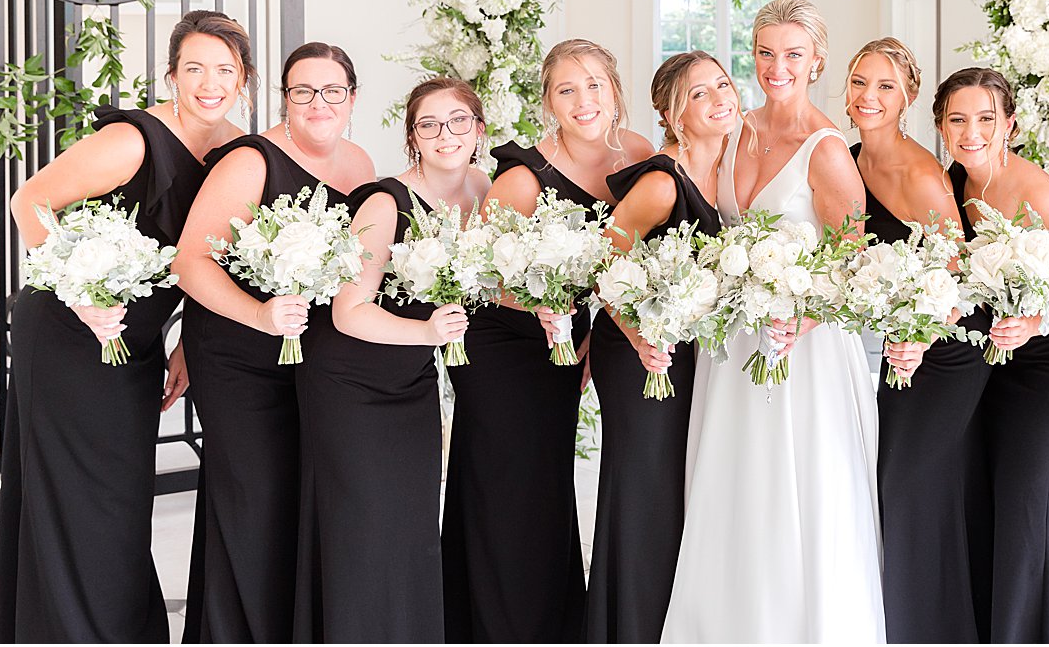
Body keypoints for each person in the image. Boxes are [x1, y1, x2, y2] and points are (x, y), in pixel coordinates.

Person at [0, 11, 252, 644]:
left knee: (121, 490)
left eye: (225, 70)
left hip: (135, 339)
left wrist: (187, 339)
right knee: (80, 490)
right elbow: (29, 202)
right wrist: (79, 293)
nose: (209, 83)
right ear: (171, 75)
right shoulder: (134, 141)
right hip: (66, 328)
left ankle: (116, 625)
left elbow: (212, 257)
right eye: (194, 68)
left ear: (244, 80)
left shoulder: (236, 149)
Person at [661, 0, 885, 643]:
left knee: (805, 492)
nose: (776, 66)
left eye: (792, 53)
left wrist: (800, 323)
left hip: (803, 350)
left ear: (817, 58)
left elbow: (852, 261)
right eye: (764, 52)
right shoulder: (734, 130)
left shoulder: (827, 150)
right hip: (730, 346)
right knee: (734, 487)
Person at [443, 39, 654, 643]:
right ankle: (498, 625)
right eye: (567, 89)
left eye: (594, 84)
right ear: (548, 102)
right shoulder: (523, 176)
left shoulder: (639, 156)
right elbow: (477, 276)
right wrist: (543, 308)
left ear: (615, 87)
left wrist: (601, 329)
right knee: (511, 481)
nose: (583, 100)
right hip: (505, 344)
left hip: (567, 341)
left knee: (549, 484)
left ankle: (554, 622)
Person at [177, 42, 374, 643]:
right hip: (240, 356)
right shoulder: (251, 160)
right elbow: (190, 263)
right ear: (284, 98)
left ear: (352, 99)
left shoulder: (361, 164)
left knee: (299, 498)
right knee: (254, 503)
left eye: (331, 91)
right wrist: (260, 316)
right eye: (303, 91)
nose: (318, 103)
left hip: (311, 362)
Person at [293, 77, 489, 642]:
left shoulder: (482, 190)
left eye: (457, 121)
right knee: (367, 526)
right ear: (413, 138)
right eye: (428, 124)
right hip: (352, 380)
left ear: (478, 129)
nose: (444, 134)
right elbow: (348, 311)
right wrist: (429, 330)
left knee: (410, 527)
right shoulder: (385, 202)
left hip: (410, 378)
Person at [938, 67, 1049, 643]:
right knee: (1018, 495)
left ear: (1009, 124)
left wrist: (1039, 322)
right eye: (958, 119)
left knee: (1029, 495)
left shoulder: (1035, 189)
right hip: (1003, 363)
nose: (972, 132)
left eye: (986, 119)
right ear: (941, 126)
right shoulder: (952, 184)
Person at [584, 51, 738, 643]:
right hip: (644, 354)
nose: (720, 98)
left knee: (682, 487)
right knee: (647, 488)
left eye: (722, 85)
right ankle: (632, 628)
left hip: (689, 351)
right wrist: (641, 336)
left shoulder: (727, 169)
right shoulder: (660, 180)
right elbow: (604, 264)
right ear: (673, 114)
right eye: (700, 94)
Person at [845, 38, 990, 643]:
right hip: (898, 345)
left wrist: (922, 336)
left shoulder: (921, 174)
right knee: (894, 487)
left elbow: (960, 280)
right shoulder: (847, 160)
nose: (869, 97)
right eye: (859, 83)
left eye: (885, 86)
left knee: (908, 487)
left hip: (949, 346)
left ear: (907, 95)